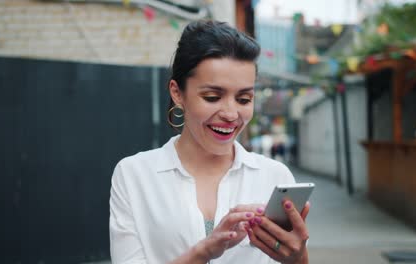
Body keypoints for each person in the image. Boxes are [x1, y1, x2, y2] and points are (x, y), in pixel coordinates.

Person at [109, 20, 311, 264]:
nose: (230, 113)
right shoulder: (134, 175)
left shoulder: (275, 176)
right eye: (213, 97)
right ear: (177, 93)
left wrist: (298, 258)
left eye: (244, 99)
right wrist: (204, 252)